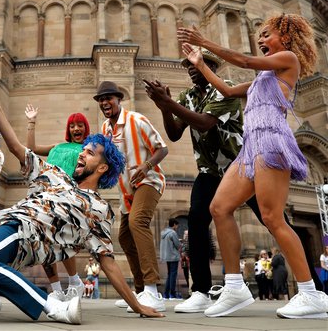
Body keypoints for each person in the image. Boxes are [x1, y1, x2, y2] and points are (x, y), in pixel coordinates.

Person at [0, 81, 164, 324]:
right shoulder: (55, 175)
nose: (81, 154)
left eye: (89, 153)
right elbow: (17, 148)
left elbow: (107, 261)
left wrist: (137, 305)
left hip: (21, 231)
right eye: (83, 149)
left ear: (102, 167)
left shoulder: (98, 209)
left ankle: (52, 305)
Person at [145, 48, 323, 312]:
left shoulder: (225, 89)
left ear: (212, 66)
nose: (192, 68)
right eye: (189, 66)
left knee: (274, 220)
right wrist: (164, 107)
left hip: (242, 166)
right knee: (197, 220)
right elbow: (173, 133)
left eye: (198, 64)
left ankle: (314, 289)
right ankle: (201, 291)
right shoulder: (189, 96)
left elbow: (205, 123)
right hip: (209, 172)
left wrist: (170, 104)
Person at [94, 81, 169, 312]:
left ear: (119, 99)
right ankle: (139, 292)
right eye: (101, 100)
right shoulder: (106, 129)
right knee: (125, 237)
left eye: (109, 98)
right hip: (126, 190)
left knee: (138, 222)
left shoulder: (137, 120)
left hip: (149, 181)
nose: (105, 103)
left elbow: (162, 148)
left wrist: (146, 166)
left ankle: (153, 290)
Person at [24, 105, 91, 299]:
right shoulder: (57, 147)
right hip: (44, 194)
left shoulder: (88, 150)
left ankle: (74, 281)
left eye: (80, 125)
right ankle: (56, 289)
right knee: (43, 242)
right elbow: (31, 150)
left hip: (67, 197)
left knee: (63, 241)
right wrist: (31, 121)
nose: (76, 129)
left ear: (85, 128)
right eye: (72, 126)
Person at [160, 218, 181, 300]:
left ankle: (166, 294)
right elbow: (178, 245)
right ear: (174, 225)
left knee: (170, 275)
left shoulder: (164, 233)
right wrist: (180, 242)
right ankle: (172, 294)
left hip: (167, 256)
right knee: (173, 275)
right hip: (173, 256)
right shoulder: (173, 233)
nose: (177, 227)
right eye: (177, 225)